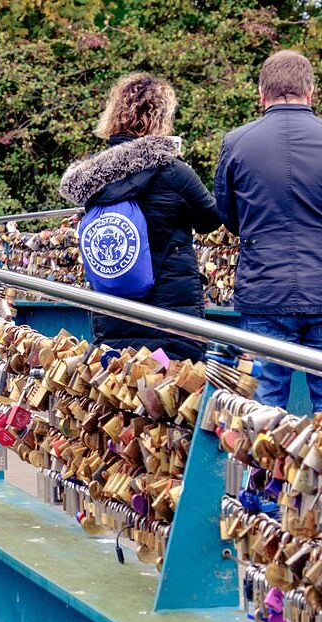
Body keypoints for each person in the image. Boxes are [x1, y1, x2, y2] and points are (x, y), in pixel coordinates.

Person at [58, 72, 219, 362]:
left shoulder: (95, 179)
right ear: (158, 118)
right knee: (172, 401)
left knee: (119, 401)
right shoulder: (173, 172)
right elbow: (211, 219)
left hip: (113, 317)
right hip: (171, 322)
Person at [215, 50, 322, 411]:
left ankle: (262, 471)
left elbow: (228, 217)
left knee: (261, 411)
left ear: (262, 95)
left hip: (265, 290)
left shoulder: (237, 142)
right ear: (310, 92)